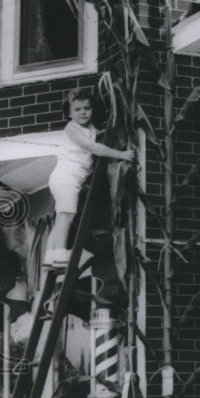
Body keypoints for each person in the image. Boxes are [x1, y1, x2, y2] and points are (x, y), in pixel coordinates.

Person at [44, 89, 133, 267]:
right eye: (77, 110)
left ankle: (50, 256)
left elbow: (99, 136)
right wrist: (122, 154)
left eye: (87, 108)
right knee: (67, 216)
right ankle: (60, 255)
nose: (83, 112)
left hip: (72, 180)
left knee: (62, 216)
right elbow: (94, 148)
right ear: (69, 113)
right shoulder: (72, 128)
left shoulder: (91, 129)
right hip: (65, 177)